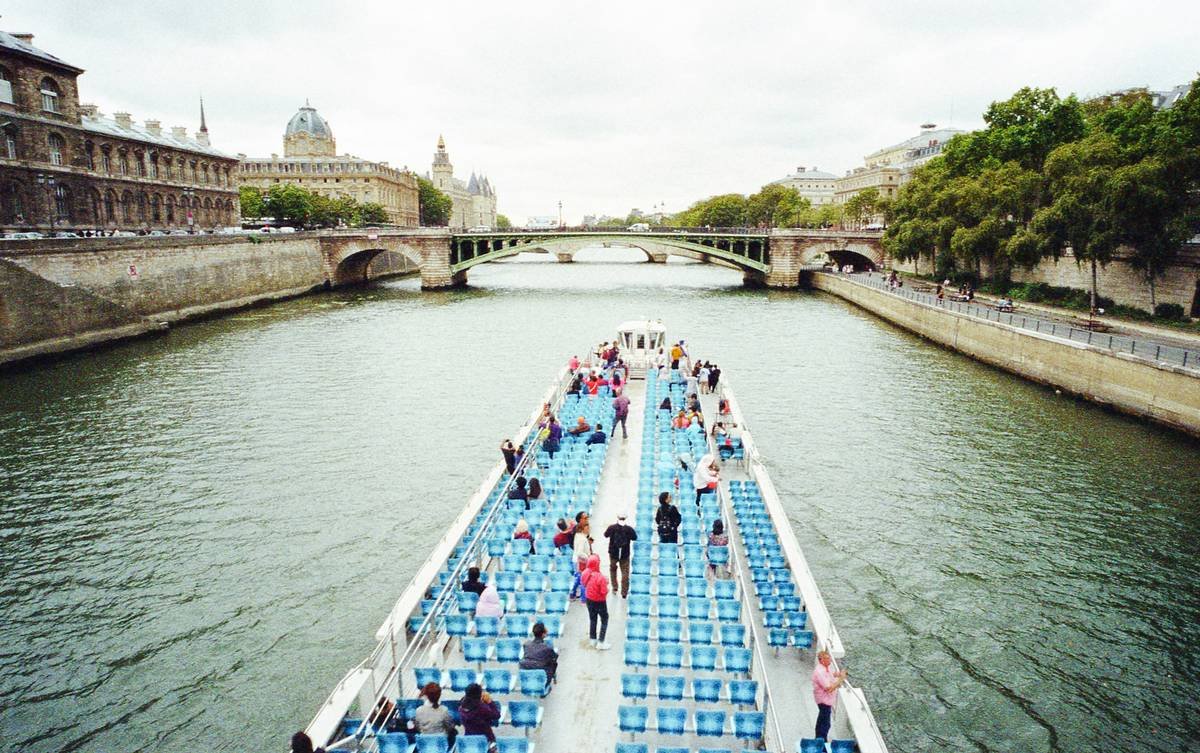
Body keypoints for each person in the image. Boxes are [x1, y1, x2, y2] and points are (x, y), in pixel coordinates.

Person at [812, 650, 847, 741]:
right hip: (823, 700)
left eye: (829, 658)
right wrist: (841, 679)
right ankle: (821, 741)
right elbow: (829, 688)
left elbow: (831, 674)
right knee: (825, 723)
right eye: (827, 659)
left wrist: (838, 674)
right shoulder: (820, 672)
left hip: (826, 700)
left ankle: (819, 739)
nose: (830, 660)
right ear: (821, 660)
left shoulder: (825, 668)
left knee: (822, 720)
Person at [413, 682, 457, 749]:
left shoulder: (418, 710)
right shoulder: (444, 710)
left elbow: (418, 727)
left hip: (426, 744)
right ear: (439, 695)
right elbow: (450, 727)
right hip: (441, 744)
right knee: (454, 732)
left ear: (427, 695)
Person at [580, 554, 611, 649]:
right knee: (604, 619)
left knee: (593, 619)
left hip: (589, 600)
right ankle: (601, 642)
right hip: (600, 602)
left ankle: (592, 639)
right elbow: (604, 592)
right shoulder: (600, 577)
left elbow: (584, 584)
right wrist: (606, 584)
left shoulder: (585, 573)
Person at [603, 512, 637, 598]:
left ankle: (615, 587)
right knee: (625, 573)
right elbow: (635, 537)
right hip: (625, 554)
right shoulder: (629, 529)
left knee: (613, 570)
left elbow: (605, 535)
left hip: (613, 553)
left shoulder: (612, 527)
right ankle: (624, 592)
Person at [458, 683, 501, 748]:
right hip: (486, 740)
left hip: (469, 740)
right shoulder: (482, 708)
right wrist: (490, 702)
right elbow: (496, 715)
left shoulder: (461, 708)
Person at [571, 515, 592, 599]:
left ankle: (573, 593)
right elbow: (580, 552)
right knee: (583, 580)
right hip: (580, 561)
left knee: (578, 578)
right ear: (583, 529)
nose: (589, 530)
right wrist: (588, 557)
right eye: (587, 528)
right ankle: (584, 597)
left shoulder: (578, 535)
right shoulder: (582, 539)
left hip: (576, 560)